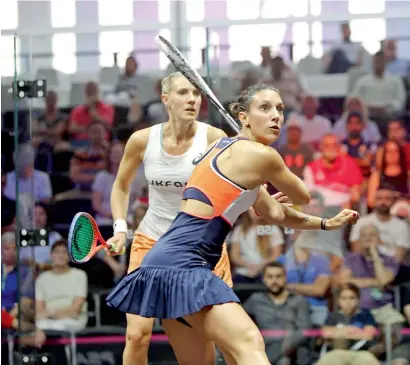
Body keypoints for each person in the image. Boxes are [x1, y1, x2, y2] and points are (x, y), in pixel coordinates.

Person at [106, 83, 360, 365]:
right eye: (264, 108)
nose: (276, 115)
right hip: (184, 265)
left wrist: (325, 223)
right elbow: (303, 194)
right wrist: (270, 166)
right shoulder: (263, 156)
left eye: (280, 109)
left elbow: (276, 214)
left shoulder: (220, 147)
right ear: (243, 117)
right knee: (249, 342)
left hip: (163, 263)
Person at [103, 71, 235, 365]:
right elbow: (121, 187)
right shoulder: (141, 140)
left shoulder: (214, 138)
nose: (191, 99)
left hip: (199, 249)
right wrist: (121, 229)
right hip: (150, 241)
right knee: (137, 335)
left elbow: (240, 182)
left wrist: (264, 202)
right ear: (166, 99)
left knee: (212, 343)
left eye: (196, 94)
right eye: (183, 93)